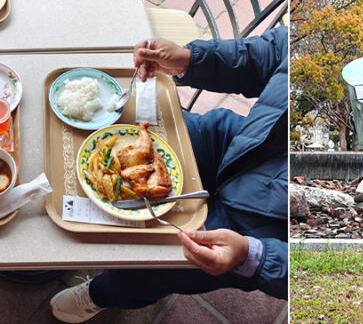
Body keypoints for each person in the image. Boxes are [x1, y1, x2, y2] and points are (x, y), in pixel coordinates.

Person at [49, 27, 288, 322]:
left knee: (155, 265)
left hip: (266, 225)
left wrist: (256, 257)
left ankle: (102, 292)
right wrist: (191, 59)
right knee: (143, 127)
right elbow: (268, 55)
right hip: (244, 141)